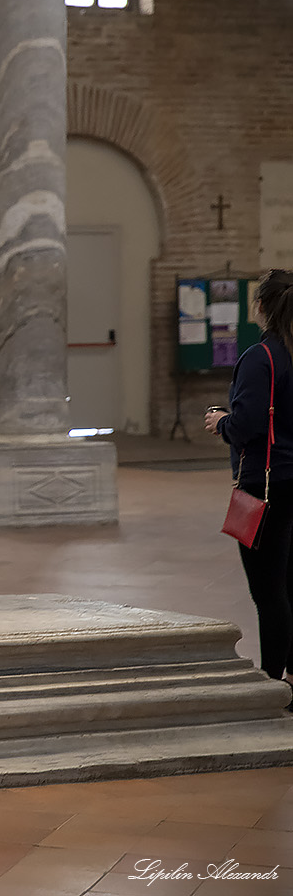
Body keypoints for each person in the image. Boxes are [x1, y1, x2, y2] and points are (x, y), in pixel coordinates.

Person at [205, 268, 293, 706]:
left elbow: (247, 425)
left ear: (260, 307)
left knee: (269, 591)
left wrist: (221, 420)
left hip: (268, 487)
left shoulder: (262, 357)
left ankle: (273, 681)